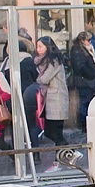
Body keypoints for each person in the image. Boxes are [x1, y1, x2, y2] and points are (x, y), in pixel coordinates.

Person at [33, 37, 69, 166]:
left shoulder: (54, 62)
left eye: (41, 47)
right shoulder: (43, 62)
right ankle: (64, 155)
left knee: (54, 131)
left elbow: (44, 79)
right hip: (49, 101)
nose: (38, 50)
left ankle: (65, 153)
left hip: (57, 100)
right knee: (51, 131)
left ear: (48, 47)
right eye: (37, 47)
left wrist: (35, 78)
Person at [69, 31, 95, 131]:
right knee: (85, 102)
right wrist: (92, 73)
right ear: (82, 40)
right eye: (88, 40)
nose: (90, 42)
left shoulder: (85, 49)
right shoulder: (77, 51)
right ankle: (83, 124)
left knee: (87, 102)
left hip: (87, 80)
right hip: (84, 81)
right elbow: (80, 67)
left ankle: (85, 124)